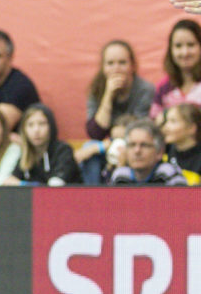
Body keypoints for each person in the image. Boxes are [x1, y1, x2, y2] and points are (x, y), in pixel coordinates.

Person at [74, 39, 154, 184]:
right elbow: (95, 132)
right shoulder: (96, 90)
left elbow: (138, 130)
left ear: (132, 66)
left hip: (134, 145)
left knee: (91, 148)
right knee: (88, 149)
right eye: (110, 63)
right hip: (106, 147)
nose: (116, 68)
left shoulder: (144, 89)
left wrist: (101, 146)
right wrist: (108, 95)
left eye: (122, 63)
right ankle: (93, 197)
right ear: (103, 67)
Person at [6, 104, 80, 186]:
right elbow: (10, 181)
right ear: (24, 130)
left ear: (51, 127)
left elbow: (55, 185)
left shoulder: (63, 150)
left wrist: (23, 184)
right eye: (30, 125)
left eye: (42, 124)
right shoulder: (26, 154)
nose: (36, 130)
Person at [108, 120, 188, 185]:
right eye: (132, 145)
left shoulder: (168, 173)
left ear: (159, 152)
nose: (137, 151)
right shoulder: (120, 175)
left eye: (144, 145)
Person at [149, 19, 201, 119]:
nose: (185, 52)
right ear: (171, 50)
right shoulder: (164, 87)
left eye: (191, 45)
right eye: (178, 46)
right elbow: (154, 121)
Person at [164, 102, 201, 177]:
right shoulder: (164, 154)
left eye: (173, 121)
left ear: (191, 128)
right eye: (166, 121)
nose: (166, 127)